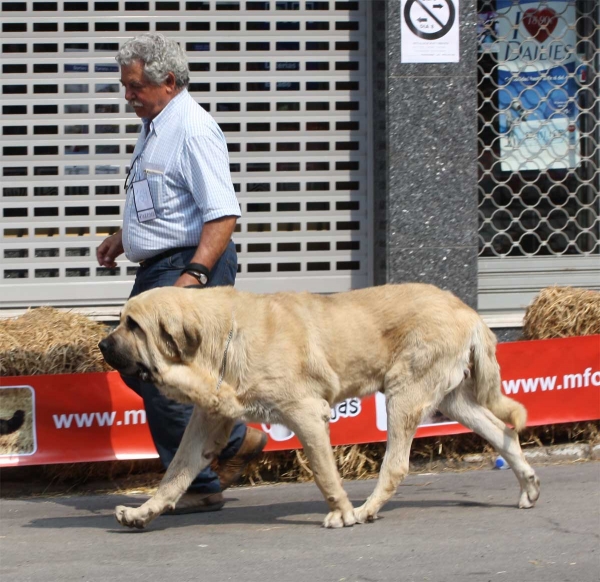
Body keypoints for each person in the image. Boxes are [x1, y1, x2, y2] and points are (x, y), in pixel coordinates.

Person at [96, 33, 266, 515]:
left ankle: (201, 479)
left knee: (157, 374)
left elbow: (222, 214)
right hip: (161, 264)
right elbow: (165, 202)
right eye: (126, 86)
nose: (127, 95)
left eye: (134, 87)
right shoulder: (157, 123)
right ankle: (233, 434)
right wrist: (124, 236)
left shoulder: (192, 128)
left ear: (167, 81)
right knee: (139, 366)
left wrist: (193, 276)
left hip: (186, 266)